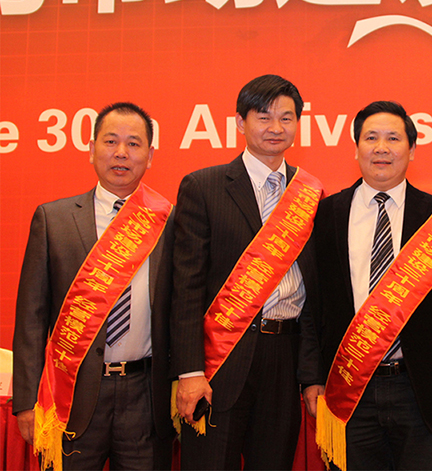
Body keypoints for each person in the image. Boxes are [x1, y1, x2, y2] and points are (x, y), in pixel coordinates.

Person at [299, 101, 432, 471]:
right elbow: (312, 307)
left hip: (421, 390)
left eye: (393, 139)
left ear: (412, 150)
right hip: (347, 388)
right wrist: (311, 377)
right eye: (371, 138)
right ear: (356, 148)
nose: (381, 148)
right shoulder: (326, 215)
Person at [171, 74, 321, 470]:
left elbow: (314, 296)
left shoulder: (309, 194)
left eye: (286, 118)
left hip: (285, 357)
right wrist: (189, 372)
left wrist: (311, 373)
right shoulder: (204, 187)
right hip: (220, 360)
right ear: (241, 122)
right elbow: (186, 288)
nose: (275, 127)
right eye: (264, 117)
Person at [13, 102, 174, 470]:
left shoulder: (169, 221)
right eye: (111, 141)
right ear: (91, 149)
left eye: (134, 144)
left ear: (150, 156)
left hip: (145, 396)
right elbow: (31, 320)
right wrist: (25, 401)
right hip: (71, 394)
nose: (121, 153)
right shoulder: (53, 219)